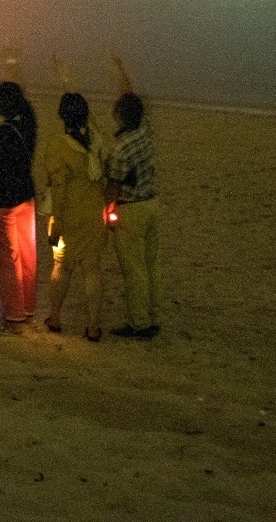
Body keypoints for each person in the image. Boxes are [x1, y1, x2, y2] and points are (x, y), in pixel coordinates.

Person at [37, 72, 108, 341]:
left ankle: (55, 317)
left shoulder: (57, 146)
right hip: (93, 212)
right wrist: (69, 83)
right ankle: (92, 326)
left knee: (61, 266)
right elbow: (91, 119)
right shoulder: (96, 139)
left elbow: (59, 188)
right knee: (92, 269)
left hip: (68, 213)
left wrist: (56, 220)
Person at [0, 58, 39, 331]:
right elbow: (25, 102)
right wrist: (13, 65)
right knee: (28, 253)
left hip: (2, 201)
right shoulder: (29, 126)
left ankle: (13, 314)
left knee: (7, 258)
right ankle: (27, 306)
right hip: (25, 196)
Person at [104, 55, 160, 339]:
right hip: (152, 203)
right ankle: (152, 315)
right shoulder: (145, 130)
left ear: (120, 117)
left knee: (134, 269)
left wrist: (107, 212)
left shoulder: (121, 147)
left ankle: (140, 323)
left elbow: (113, 186)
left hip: (132, 209)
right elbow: (129, 95)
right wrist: (119, 69)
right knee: (150, 265)